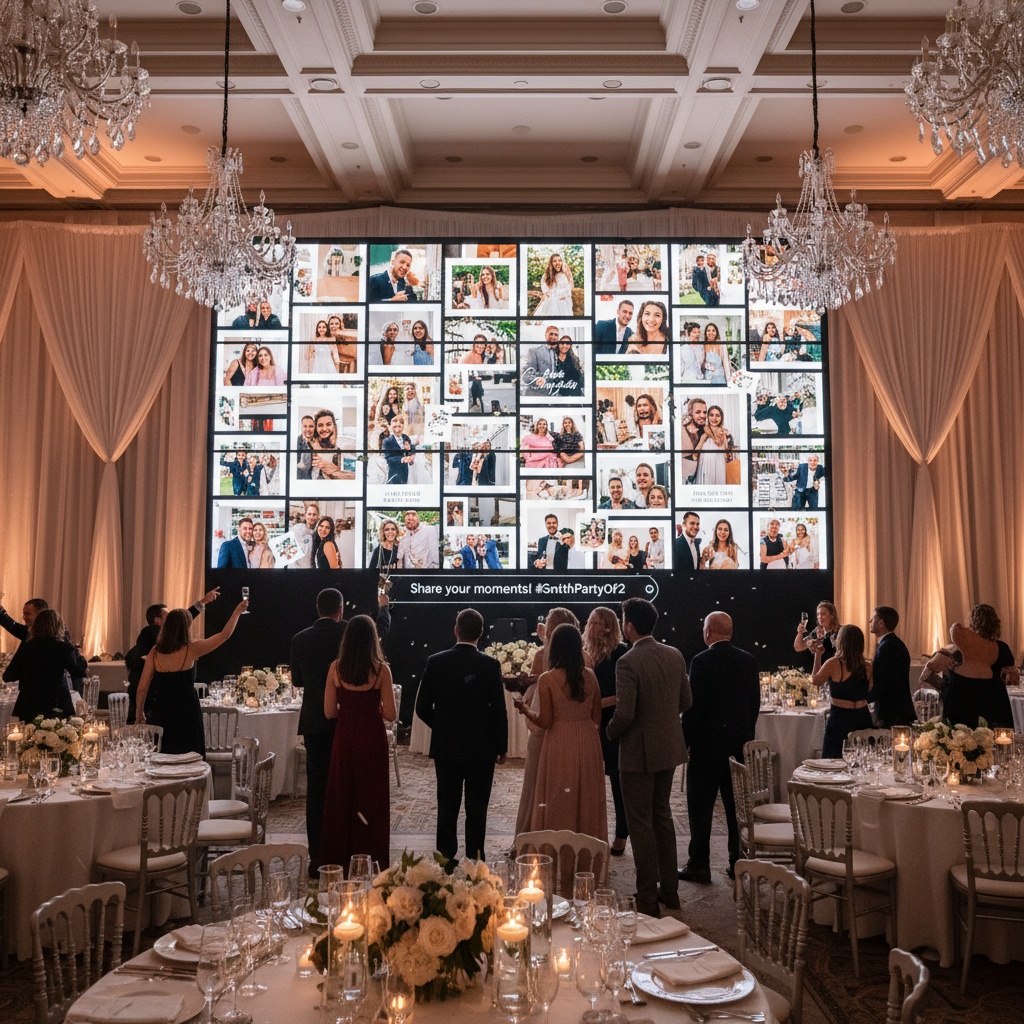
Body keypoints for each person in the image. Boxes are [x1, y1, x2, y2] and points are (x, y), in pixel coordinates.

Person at [291, 588, 392, 873]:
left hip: (316, 723)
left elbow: (297, 681)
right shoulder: (352, 634)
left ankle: (318, 856)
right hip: (353, 726)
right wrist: (384, 608)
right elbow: (377, 632)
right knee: (357, 791)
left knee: (321, 790)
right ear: (340, 610)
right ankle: (359, 850)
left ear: (317, 608)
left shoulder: (300, 639)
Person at [607, 598, 691, 918]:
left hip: (637, 753)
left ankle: (646, 897)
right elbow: (686, 700)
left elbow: (625, 714)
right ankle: (670, 891)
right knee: (662, 817)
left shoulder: (627, 662)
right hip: (669, 747)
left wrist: (610, 732)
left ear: (629, 626)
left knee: (640, 823)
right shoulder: (674, 655)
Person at [415, 608, 507, 860]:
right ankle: (475, 861)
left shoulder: (436, 662)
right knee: (477, 807)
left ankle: (445, 859)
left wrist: (443, 726)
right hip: (482, 748)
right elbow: (499, 710)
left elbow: (421, 708)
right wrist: (501, 746)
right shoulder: (490, 665)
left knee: (447, 806)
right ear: (481, 634)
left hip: (447, 748)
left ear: (456, 630)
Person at [680, 611, 759, 883]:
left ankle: (699, 864)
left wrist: (686, 741)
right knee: (735, 807)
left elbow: (694, 708)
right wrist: (746, 736)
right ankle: (737, 861)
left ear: (708, 631)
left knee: (700, 806)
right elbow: (753, 705)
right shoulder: (748, 660)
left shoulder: (701, 662)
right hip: (738, 745)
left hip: (706, 747)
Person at [320, 614, 396, 872]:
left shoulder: (336, 668)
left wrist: (349, 711)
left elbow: (329, 712)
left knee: (343, 795)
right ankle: (372, 858)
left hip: (346, 737)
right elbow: (391, 715)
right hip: (372, 738)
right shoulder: (381, 670)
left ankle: (341, 857)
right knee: (371, 797)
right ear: (373, 639)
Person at [516, 623, 606, 837]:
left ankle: (557, 847)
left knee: (557, 795)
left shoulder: (547, 678)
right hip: (587, 741)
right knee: (585, 795)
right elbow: (597, 717)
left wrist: (524, 709)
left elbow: (545, 722)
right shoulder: (591, 676)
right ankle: (585, 845)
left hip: (558, 741)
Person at [135, 596, 248, 755]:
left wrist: (139, 714)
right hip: (186, 709)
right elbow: (224, 635)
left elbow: (142, 688)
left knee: (163, 753)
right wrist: (237, 612)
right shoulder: (192, 649)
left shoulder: (155, 651)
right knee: (188, 753)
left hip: (161, 708)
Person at [515, 607, 583, 835]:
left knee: (535, 784)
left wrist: (524, 700)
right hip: (572, 732)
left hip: (544, 729)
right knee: (565, 786)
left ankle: (530, 834)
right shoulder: (586, 659)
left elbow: (536, 694)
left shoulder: (542, 656)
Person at [125, 590, 218, 722]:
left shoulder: (156, 636)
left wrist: (202, 602)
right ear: (157, 620)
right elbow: (180, 623)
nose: (172, 620)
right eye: (168, 617)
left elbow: (181, 621)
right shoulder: (153, 633)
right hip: (151, 700)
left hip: (148, 698)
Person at [584, 608, 630, 855]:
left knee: (616, 781)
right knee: (588, 781)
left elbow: (626, 695)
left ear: (611, 627)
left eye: (600, 623)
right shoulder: (585, 654)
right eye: (592, 622)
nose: (595, 627)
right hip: (588, 725)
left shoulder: (621, 653)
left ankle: (621, 834)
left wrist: (597, 704)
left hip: (612, 724)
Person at [931, 604, 1014, 728]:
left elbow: (945, 670)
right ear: (995, 623)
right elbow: (1012, 679)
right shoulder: (1002, 648)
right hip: (994, 699)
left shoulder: (960, 647)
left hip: (964, 696)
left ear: (972, 622)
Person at [4, 609, 86, 721]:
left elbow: (8, 676)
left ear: (36, 626)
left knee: (30, 737)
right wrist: (75, 650)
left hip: (30, 703)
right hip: (57, 702)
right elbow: (79, 671)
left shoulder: (27, 648)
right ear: (59, 626)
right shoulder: (63, 648)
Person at [810, 625, 873, 758]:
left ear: (841, 642)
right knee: (862, 762)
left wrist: (817, 655)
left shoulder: (833, 663)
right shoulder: (868, 667)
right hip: (863, 718)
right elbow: (869, 690)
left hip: (839, 720)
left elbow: (815, 681)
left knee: (833, 764)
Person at [869, 606, 916, 727]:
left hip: (892, 713)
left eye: (873, 618)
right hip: (898, 709)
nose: (870, 621)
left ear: (881, 623)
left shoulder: (887, 647)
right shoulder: (893, 643)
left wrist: (864, 699)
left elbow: (886, 683)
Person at [693, 405, 728, 486]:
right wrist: (703, 438)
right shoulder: (703, 432)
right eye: (711, 415)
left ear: (721, 418)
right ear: (708, 416)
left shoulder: (723, 434)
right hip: (706, 468)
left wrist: (723, 438)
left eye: (717, 415)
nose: (714, 418)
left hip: (719, 467)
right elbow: (695, 454)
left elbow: (725, 455)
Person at [534, 252, 574, 316]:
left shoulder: (565, 271)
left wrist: (563, 294)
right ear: (551, 263)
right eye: (554, 261)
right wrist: (551, 294)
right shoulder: (547, 275)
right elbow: (544, 285)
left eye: (560, 260)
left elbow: (571, 285)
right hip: (551, 300)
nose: (558, 263)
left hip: (564, 300)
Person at [523, 326, 560, 394]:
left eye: (556, 335)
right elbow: (527, 374)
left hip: (554, 395)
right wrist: (536, 380)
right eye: (551, 334)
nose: (553, 337)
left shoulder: (561, 353)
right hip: (537, 394)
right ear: (545, 335)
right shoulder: (535, 351)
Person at [311, 409, 343, 480]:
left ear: (334, 426)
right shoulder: (309, 446)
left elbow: (338, 476)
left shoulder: (337, 450)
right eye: (320, 425)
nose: (324, 429)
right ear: (316, 427)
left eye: (328, 424)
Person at [383, 416, 414, 484]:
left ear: (403, 426)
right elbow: (388, 458)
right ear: (391, 427)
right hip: (394, 472)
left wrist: (411, 456)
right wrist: (401, 459)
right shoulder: (387, 441)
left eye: (399, 426)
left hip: (406, 471)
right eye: (395, 427)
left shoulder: (406, 437)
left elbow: (411, 448)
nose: (397, 429)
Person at [291, 502, 320, 569]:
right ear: (305, 515)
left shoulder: (320, 533)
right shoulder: (297, 529)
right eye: (309, 514)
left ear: (318, 516)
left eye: (314, 514)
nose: (311, 517)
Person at [296, 416, 315, 480]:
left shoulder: (318, 442)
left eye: (311, 426)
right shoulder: (296, 442)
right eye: (305, 426)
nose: (308, 429)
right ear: (301, 428)